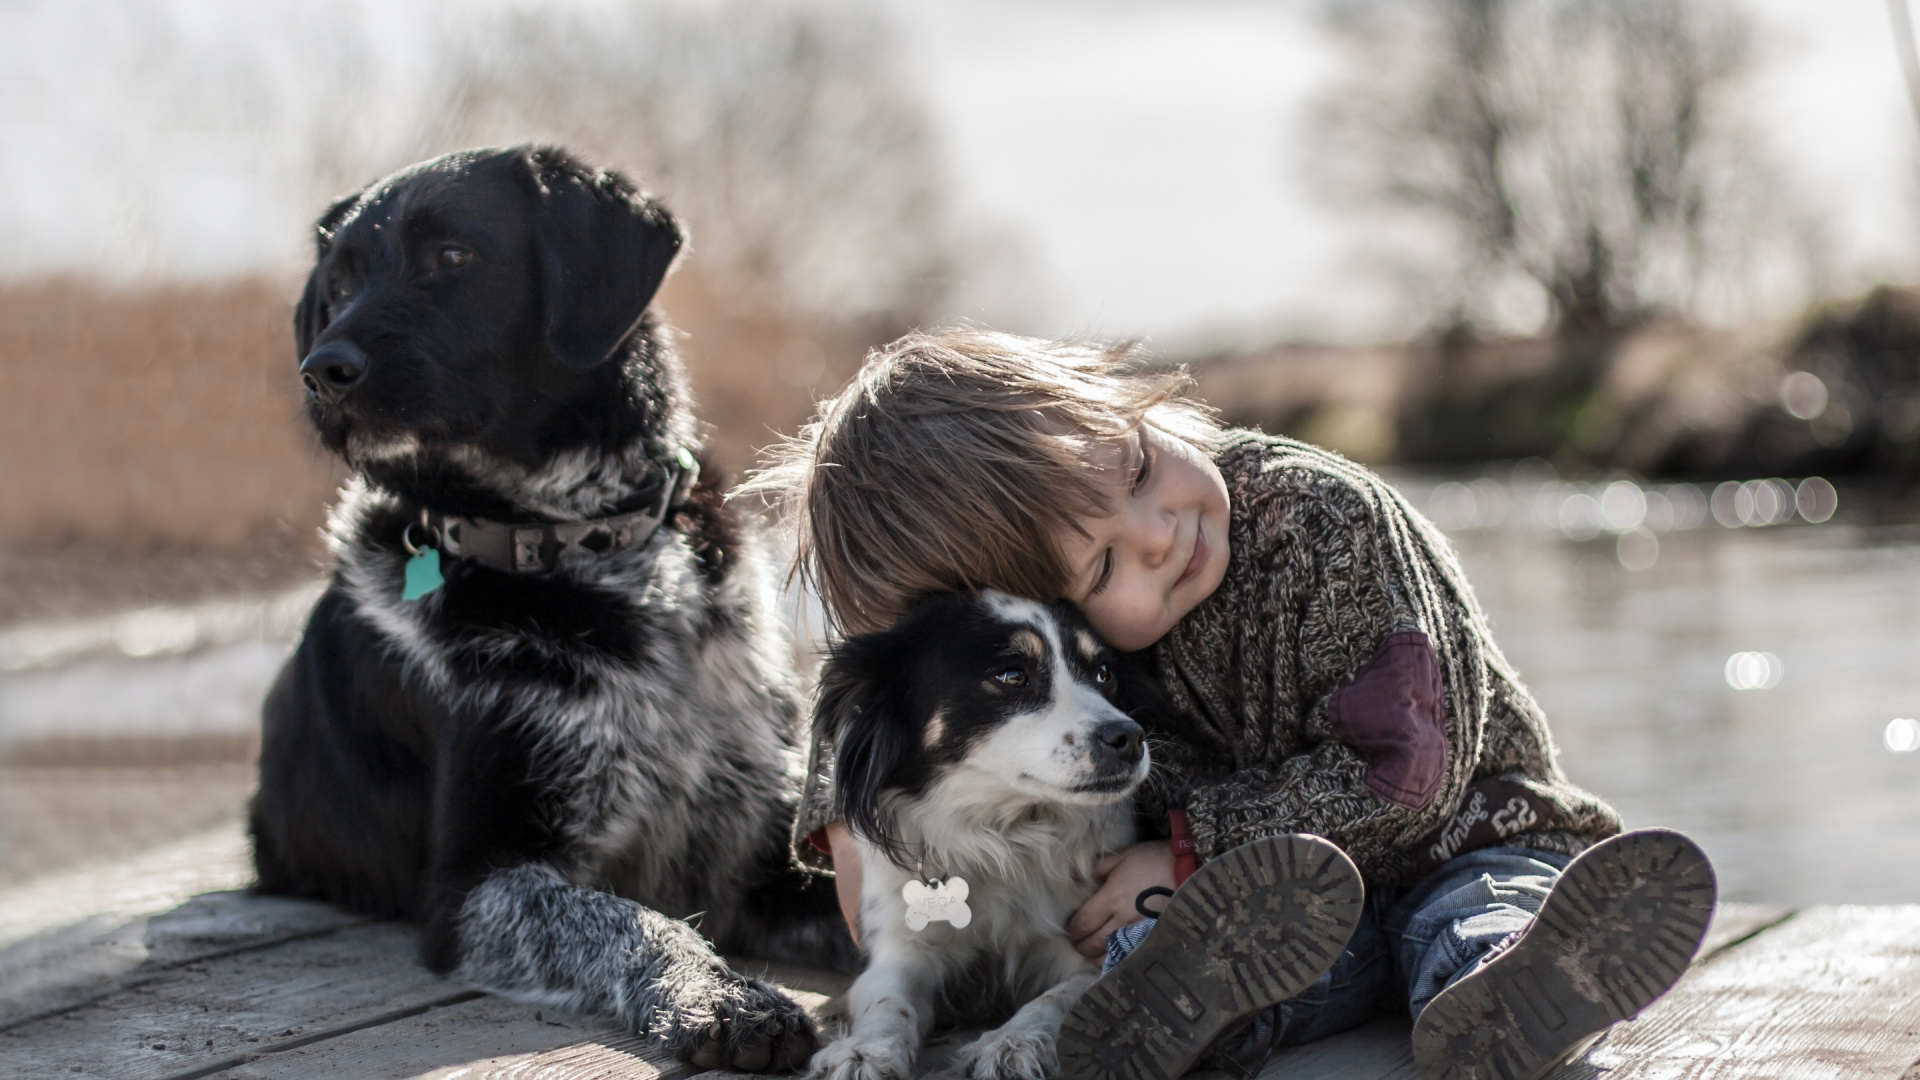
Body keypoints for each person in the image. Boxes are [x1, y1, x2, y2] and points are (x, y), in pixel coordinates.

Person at [751, 328, 1715, 1080]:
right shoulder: (1079, 648)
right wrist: (843, 812)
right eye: (1102, 565)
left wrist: (1187, 845)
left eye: (1136, 467)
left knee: (1472, 914)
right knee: (1201, 953)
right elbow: (889, 669)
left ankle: (1518, 991)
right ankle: (1175, 1023)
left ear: (1124, 402)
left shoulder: (1321, 520)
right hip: (1286, 901)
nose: (1159, 532)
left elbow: (1408, 772)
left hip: (1469, 836)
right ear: (1043, 604)